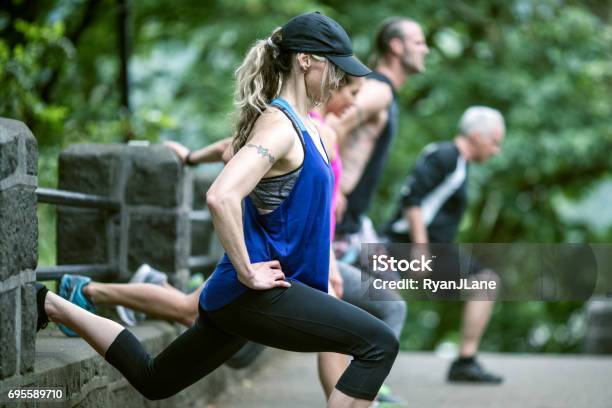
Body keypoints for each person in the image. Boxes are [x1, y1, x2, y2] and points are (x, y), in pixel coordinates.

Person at [35, 12, 399, 406]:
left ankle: (50, 304)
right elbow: (221, 195)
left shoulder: (305, 125)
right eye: (335, 68)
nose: (339, 81)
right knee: (378, 343)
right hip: (258, 293)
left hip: (251, 294)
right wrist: (247, 271)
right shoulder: (279, 125)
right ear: (306, 60)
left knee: (154, 379)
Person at [386, 106, 505, 383]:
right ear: (476, 135)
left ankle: (466, 360)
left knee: (485, 281)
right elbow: (411, 200)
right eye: (494, 142)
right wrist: (421, 249)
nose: (496, 150)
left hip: (432, 247)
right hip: (403, 245)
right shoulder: (446, 156)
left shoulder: (459, 164)